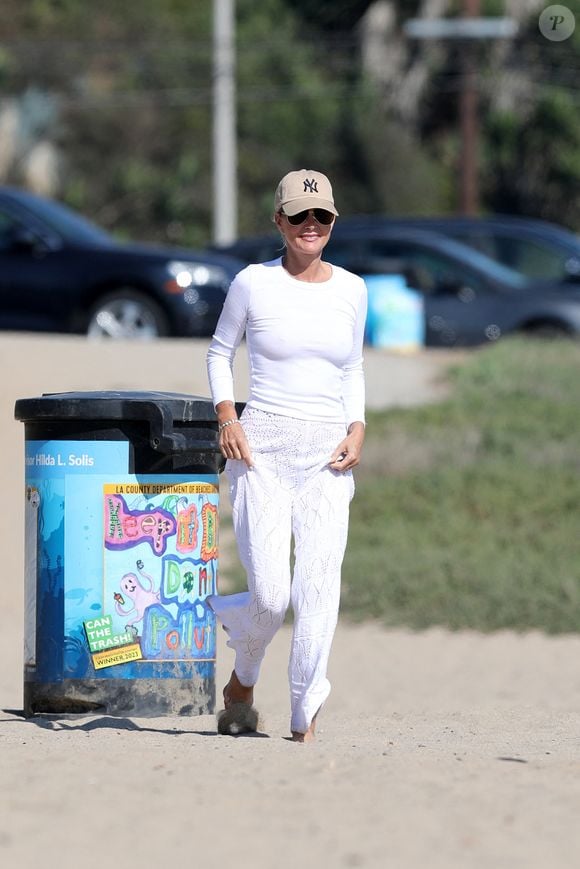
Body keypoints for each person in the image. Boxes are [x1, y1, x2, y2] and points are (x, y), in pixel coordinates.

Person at [206, 169, 367, 742]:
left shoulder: (352, 289)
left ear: (332, 223)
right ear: (279, 220)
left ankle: (305, 718)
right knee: (272, 596)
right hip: (262, 451)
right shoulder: (253, 282)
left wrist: (358, 427)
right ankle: (244, 677)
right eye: (298, 215)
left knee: (318, 587)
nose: (310, 225)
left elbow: (351, 368)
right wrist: (228, 417)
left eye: (320, 216)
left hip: (328, 454)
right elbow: (220, 353)